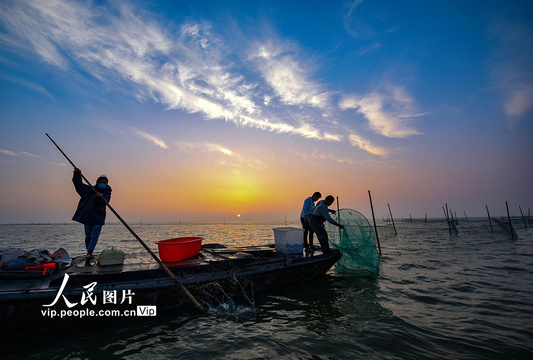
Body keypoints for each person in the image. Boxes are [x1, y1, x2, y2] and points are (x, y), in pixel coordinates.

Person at [72, 168, 112, 265]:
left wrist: (100, 197)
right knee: (88, 236)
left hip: (98, 217)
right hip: (88, 216)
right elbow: (79, 186)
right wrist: (77, 174)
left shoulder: (107, 192)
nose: (103, 183)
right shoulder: (90, 190)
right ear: (97, 182)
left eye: (105, 182)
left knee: (94, 235)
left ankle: (90, 252)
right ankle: (88, 252)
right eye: (101, 182)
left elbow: (105, 201)